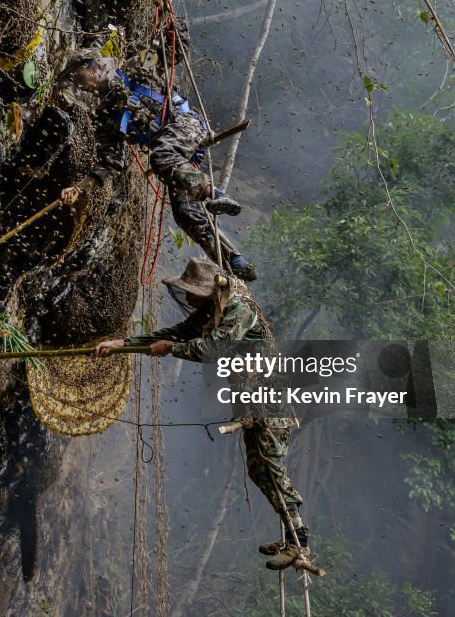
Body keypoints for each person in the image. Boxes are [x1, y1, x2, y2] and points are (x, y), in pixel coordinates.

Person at [94, 258, 311, 570]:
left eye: (193, 292)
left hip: (268, 398)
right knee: (258, 469)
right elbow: (179, 331)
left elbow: (211, 350)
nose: (190, 298)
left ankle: (298, 542)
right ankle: (291, 532)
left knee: (271, 465)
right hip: (251, 399)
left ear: (209, 290)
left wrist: (171, 348)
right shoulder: (213, 309)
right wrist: (124, 343)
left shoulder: (239, 309)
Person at [54, 41, 258, 282]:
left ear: (93, 66)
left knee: (161, 156)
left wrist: (165, 22)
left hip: (184, 125)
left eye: (79, 75)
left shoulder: (135, 67)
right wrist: (80, 188)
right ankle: (235, 262)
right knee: (184, 213)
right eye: (75, 81)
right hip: (174, 155)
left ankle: (214, 193)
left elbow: (170, 47)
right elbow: (111, 163)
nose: (81, 84)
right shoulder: (105, 117)